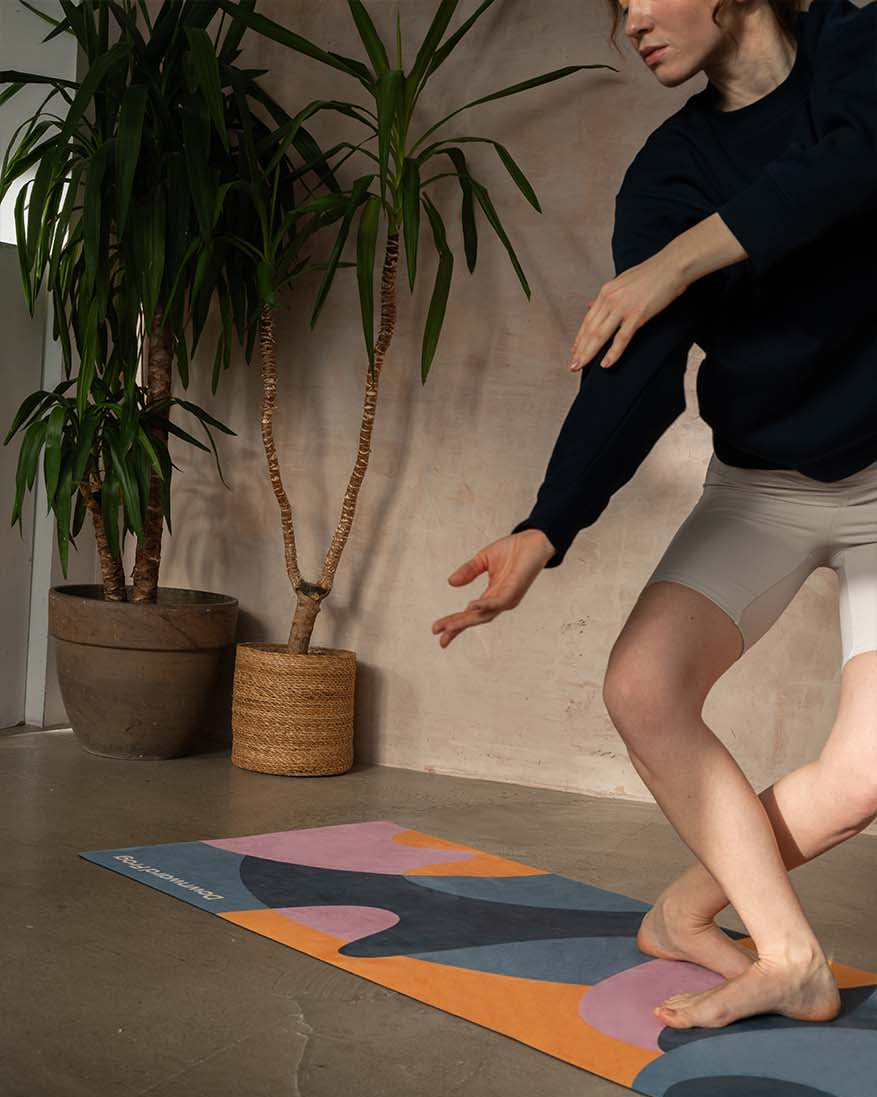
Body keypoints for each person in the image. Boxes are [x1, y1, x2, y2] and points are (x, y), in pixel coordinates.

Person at [431, 0, 877, 1031]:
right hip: (764, 486)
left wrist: (675, 261)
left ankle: (684, 908)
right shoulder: (669, 170)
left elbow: (856, 162)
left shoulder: (856, 47)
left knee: (864, 778)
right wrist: (547, 524)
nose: (629, 17)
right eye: (617, 2)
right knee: (641, 685)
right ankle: (791, 958)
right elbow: (635, 374)